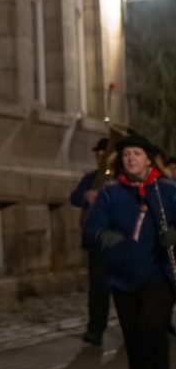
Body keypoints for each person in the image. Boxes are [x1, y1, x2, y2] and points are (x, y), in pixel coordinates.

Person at [84, 134, 176, 369]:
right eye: (126, 154)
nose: (131, 158)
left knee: (151, 328)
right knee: (133, 338)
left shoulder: (167, 190)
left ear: (148, 159)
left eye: (137, 153)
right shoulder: (110, 193)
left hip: (157, 273)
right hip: (122, 277)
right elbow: (90, 231)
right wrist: (102, 236)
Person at [69, 138, 111, 346]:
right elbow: (75, 198)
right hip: (97, 241)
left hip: (121, 241)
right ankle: (96, 329)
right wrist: (86, 196)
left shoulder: (121, 178)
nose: (100, 158)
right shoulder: (91, 178)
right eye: (98, 155)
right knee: (98, 287)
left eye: (104, 154)